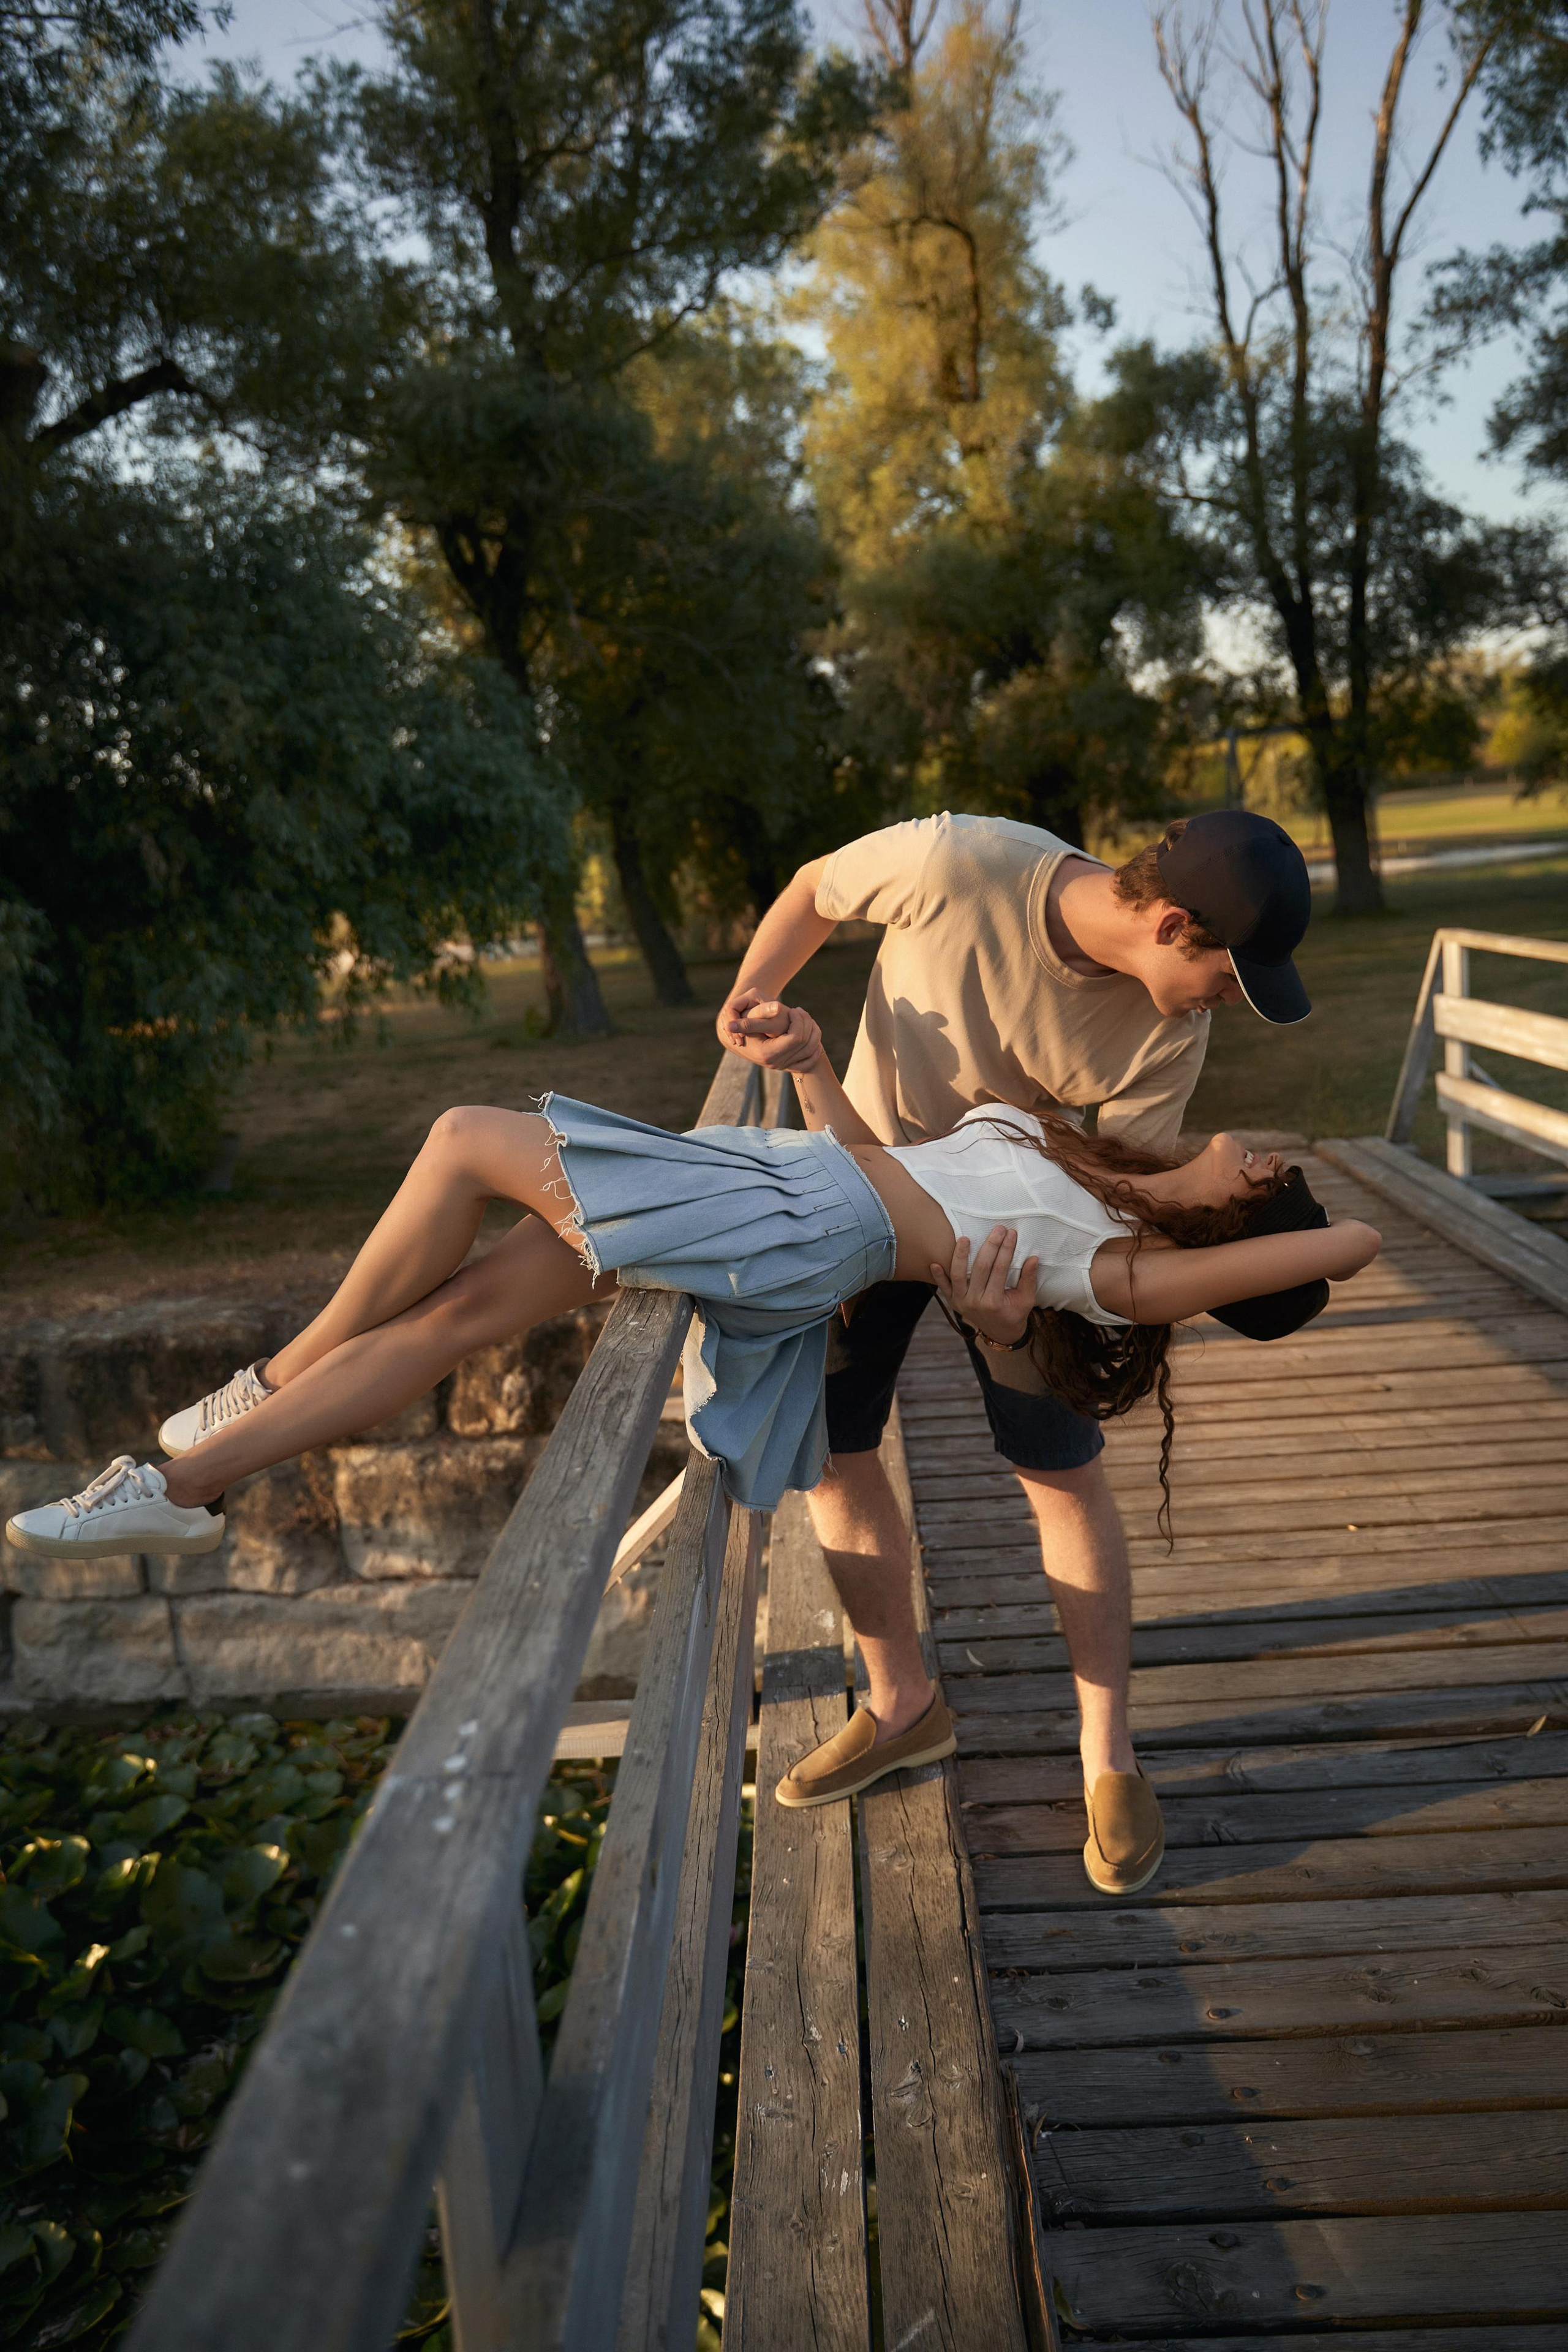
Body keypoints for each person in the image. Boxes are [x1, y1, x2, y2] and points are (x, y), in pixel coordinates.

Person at [9, 994, 1374, 1895]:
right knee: (465, 1312)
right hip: (795, 1187)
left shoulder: (1126, 1267)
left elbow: (1350, 1242)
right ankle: (185, 1485)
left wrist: (1259, 1232)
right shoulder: (1088, 1166)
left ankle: (255, 1388)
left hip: (788, 1227)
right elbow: (901, 1176)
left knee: (466, 1136)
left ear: (1234, 1233)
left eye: (1262, 1176)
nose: (1257, 1147)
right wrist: (820, 1076)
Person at [714, 805, 1314, 1888]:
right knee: (837, 1452)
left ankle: (1108, 1756)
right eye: (1231, 976)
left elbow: (1124, 1195)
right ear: (1175, 923)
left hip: (1016, 1240)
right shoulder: (961, 862)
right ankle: (903, 1705)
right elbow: (813, 884)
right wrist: (752, 994)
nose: (1230, 1002)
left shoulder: (1169, 1034)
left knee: (1062, 1472)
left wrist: (1014, 1310)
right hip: (860, 1187)